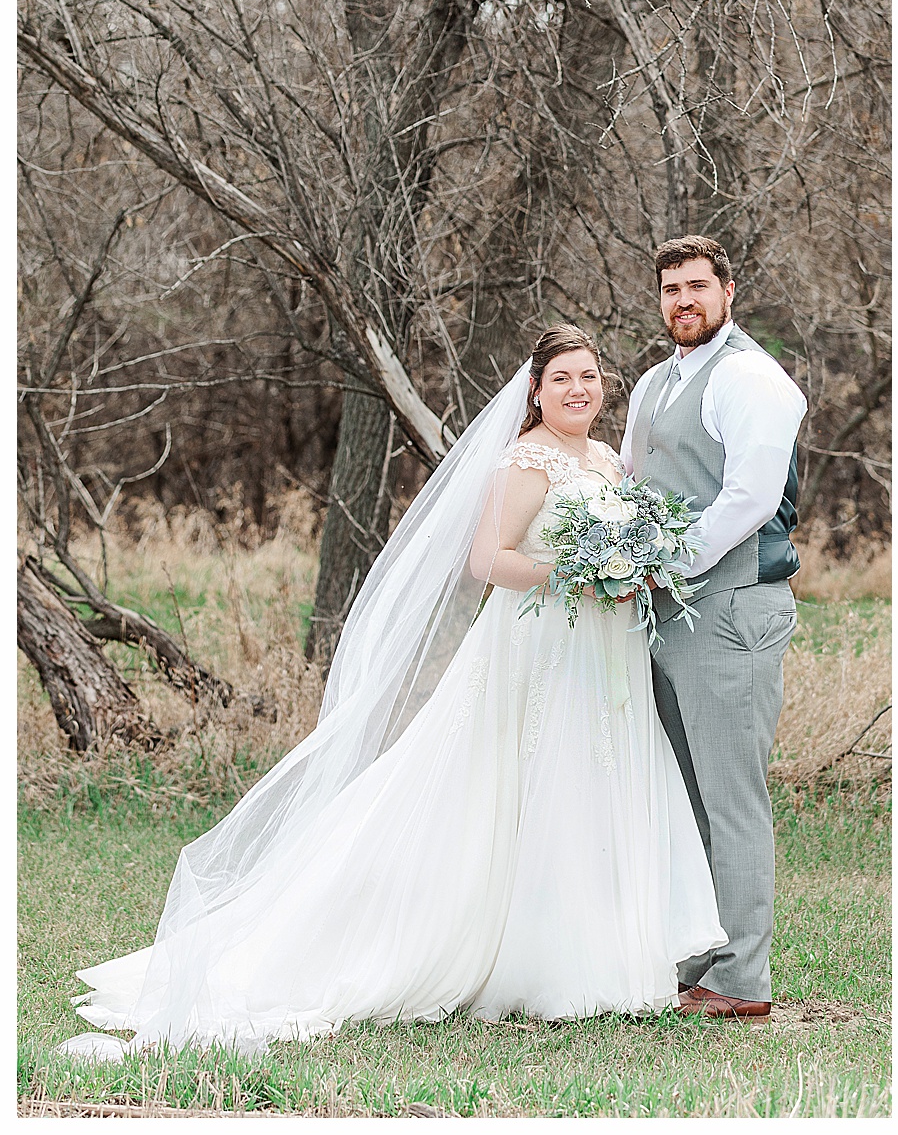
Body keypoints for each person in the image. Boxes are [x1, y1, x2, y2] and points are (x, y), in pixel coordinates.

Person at [61, 325, 723, 1057]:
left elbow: (622, 540)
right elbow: (489, 560)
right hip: (536, 648)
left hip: (602, 649)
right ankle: (528, 965)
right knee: (525, 785)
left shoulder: (603, 457)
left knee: (591, 786)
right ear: (535, 391)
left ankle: (606, 957)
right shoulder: (525, 461)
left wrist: (630, 568)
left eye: (590, 377)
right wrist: (577, 574)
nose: (578, 389)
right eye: (562, 377)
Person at [624, 236, 807, 1021]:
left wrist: (668, 561)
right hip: (664, 613)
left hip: (730, 608)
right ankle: (699, 956)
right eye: (670, 290)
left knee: (732, 799)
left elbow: (749, 499)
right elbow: (635, 481)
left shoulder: (751, 379)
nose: (683, 302)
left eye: (697, 286)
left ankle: (741, 979)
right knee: (687, 795)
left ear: (729, 292)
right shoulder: (654, 384)